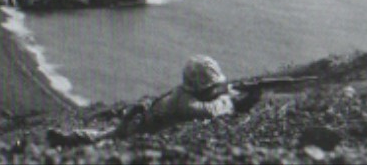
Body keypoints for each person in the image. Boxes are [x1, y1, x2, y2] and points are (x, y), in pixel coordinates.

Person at [47, 54, 262, 147]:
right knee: (105, 139)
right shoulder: (186, 103)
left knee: (105, 135)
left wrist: (227, 92)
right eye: (212, 86)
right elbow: (210, 110)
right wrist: (235, 101)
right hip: (137, 128)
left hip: (140, 122)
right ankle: (68, 139)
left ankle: (67, 138)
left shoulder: (182, 93)